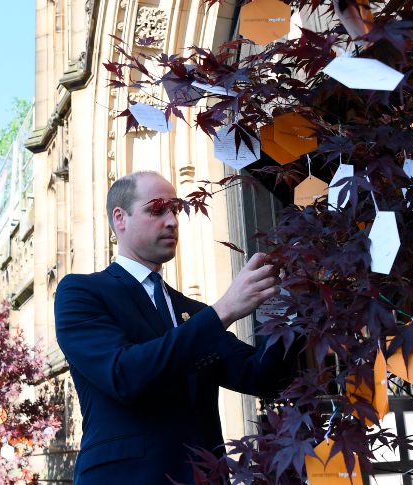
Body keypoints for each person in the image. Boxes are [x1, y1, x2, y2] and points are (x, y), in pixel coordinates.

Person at [54, 170, 301, 484]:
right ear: (120, 218)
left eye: (175, 210)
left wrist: (285, 306)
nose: (172, 221)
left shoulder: (192, 312)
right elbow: (123, 374)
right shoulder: (81, 292)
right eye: (157, 209)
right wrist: (224, 310)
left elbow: (262, 377)